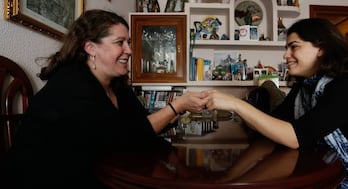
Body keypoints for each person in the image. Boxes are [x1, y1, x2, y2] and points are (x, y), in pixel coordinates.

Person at [3, 9, 208, 188]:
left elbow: (143, 124)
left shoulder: (116, 85)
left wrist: (181, 109)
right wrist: (178, 104)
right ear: (90, 48)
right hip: (47, 180)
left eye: (129, 42)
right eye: (120, 42)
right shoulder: (72, 83)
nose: (129, 50)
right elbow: (125, 137)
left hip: (94, 171)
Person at [205, 18, 348, 188]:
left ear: (321, 49)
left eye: (293, 47)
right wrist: (230, 178)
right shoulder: (306, 87)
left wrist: (236, 104)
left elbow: (297, 136)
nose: (286, 55)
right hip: (337, 172)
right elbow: (273, 124)